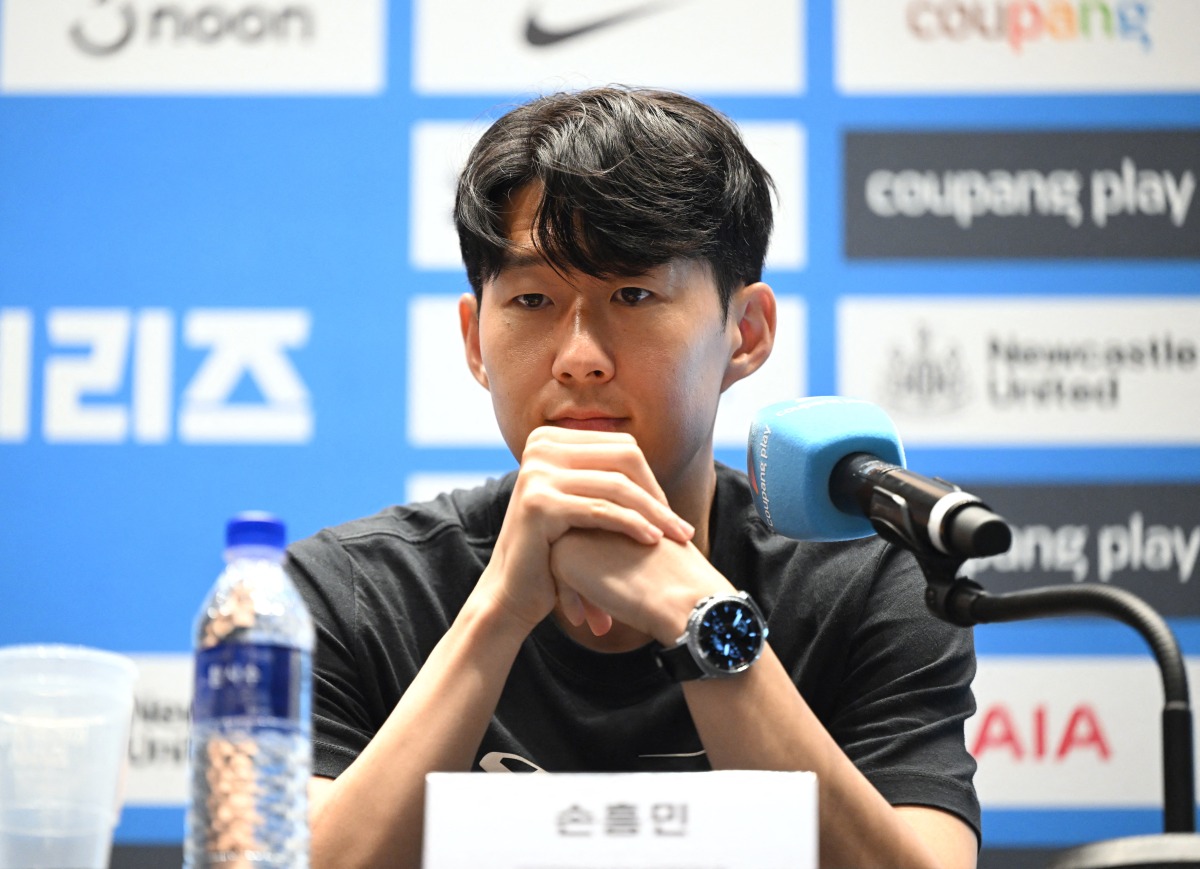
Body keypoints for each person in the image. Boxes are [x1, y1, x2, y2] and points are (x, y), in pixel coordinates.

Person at [287, 86, 981, 869]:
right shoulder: (347, 591)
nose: (579, 352)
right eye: (533, 298)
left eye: (633, 293)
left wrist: (700, 616)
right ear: (475, 340)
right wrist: (496, 614)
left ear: (745, 332)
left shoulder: (871, 578)